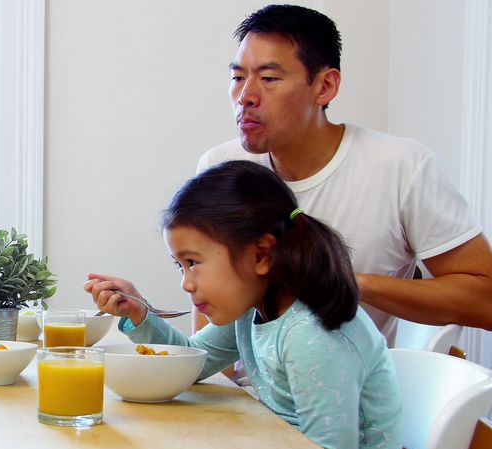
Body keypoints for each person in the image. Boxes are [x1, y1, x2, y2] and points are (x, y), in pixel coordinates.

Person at [74, 161, 402, 449]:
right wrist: (141, 313)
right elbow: (193, 362)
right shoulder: (255, 310)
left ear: (261, 254)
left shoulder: (312, 333)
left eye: (193, 262)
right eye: (180, 266)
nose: (186, 282)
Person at [196, 3, 492, 345]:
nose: (245, 97)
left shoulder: (401, 166)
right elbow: (208, 307)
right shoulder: (220, 167)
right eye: (237, 78)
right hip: (240, 393)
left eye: (269, 78)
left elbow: (485, 300)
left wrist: (351, 282)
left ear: (325, 87)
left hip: (341, 390)